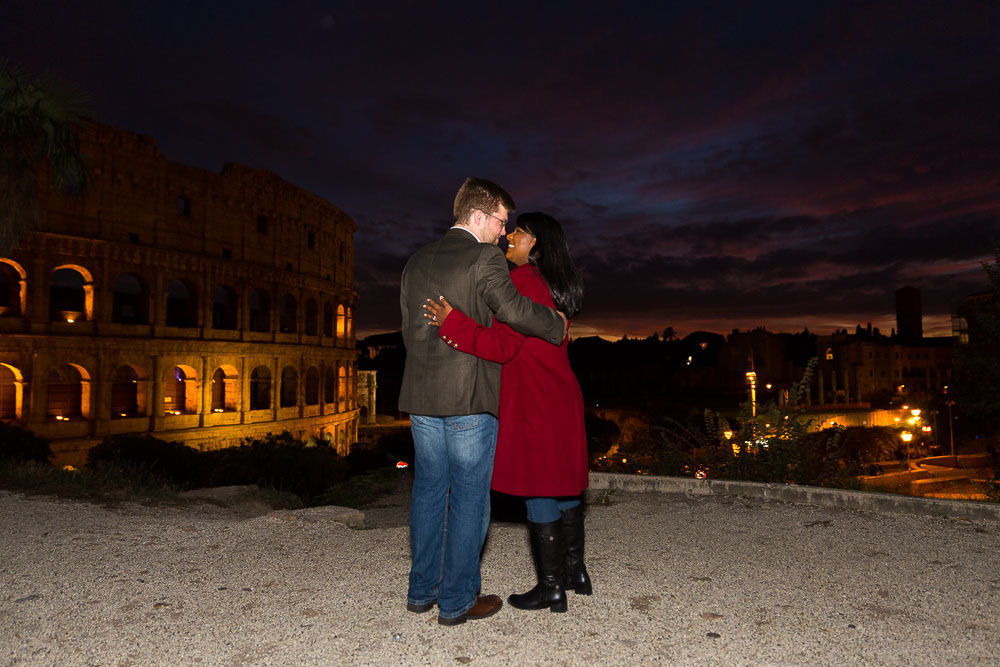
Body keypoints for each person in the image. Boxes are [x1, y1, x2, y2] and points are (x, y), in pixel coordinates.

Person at [399, 178, 567, 626]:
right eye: (499, 221)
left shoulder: (415, 261)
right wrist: (555, 323)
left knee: (430, 491)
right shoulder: (484, 256)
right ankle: (457, 600)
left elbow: (408, 332)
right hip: (469, 398)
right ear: (477, 217)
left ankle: (421, 592)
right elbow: (511, 310)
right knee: (470, 496)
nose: (503, 231)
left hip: (420, 395)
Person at [424, 212, 590, 614]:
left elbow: (502, 346)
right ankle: (575, 572)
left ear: (534, 243)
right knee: (564, 484)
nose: (508, 236)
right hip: (561, 393)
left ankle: (551, 588)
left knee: (540, 487)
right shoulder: (552, 285)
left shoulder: (521, 282)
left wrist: (452, 323)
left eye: (517, 231)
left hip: (536, 398)